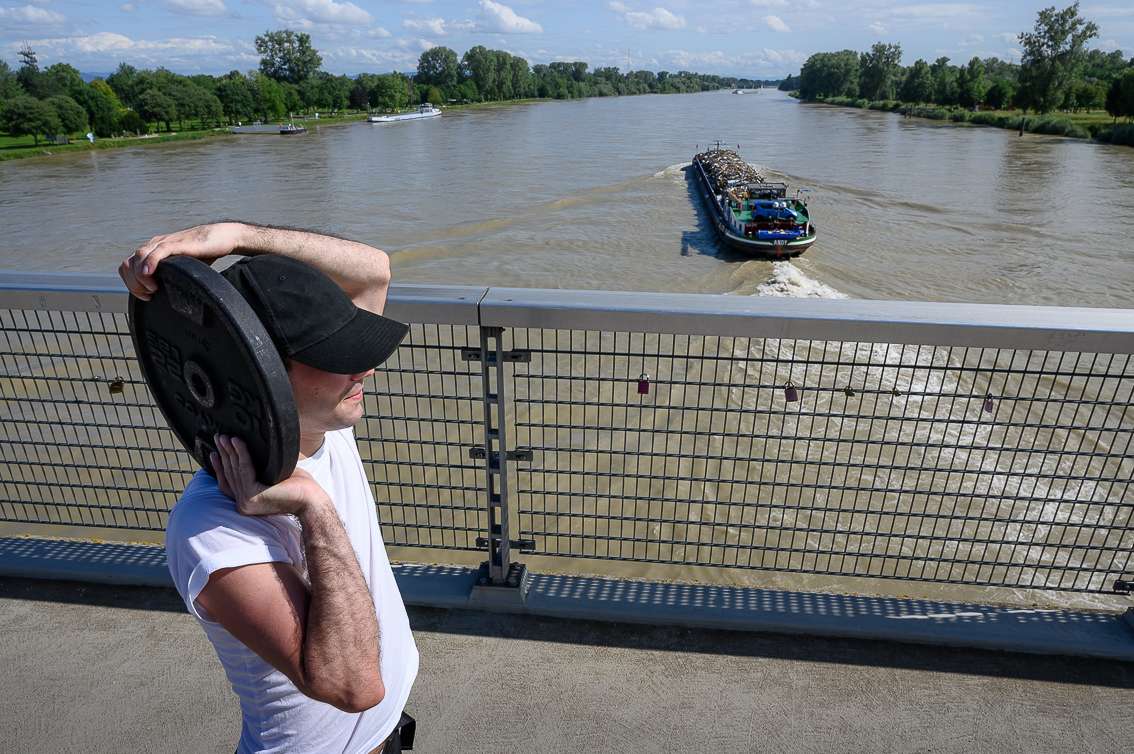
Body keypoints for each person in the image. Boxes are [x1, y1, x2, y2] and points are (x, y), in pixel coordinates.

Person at [119, 221, 418, 754]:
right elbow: (353, 686)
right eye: (340, 356)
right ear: (266, 377)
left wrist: (232, 234)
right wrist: (314, 508)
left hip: (389, 735)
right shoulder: (211, 528)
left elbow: (374, 268)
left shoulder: (323, 428)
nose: (367, 369)